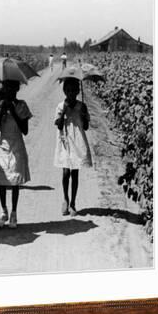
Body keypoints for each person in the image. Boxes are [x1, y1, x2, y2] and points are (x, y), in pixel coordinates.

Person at [0, 80, 32, 229]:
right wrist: (2, 113)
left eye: (13, 88)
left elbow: (25, 130)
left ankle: (14, 213)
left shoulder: (22, 105)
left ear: (17, 89)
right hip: (1, 146)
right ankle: (3, 211)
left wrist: (14, 111)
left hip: (16, 145)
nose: (10, 92)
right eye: (7, 89)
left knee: (15, 180)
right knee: (1, 180)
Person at [54, 78, 92, 216]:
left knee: (75, 173)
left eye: (73, 90)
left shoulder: (82, 106)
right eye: (68, 90)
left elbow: (86, 127)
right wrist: (64, 112)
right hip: (65, 141)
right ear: (64, 91)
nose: (70, 93)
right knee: (66, 172)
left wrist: (82, 116)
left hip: (77, 141)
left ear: (77, 91)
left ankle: (73, 203)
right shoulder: (60, 106)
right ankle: (65, 198)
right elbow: (58, 125)